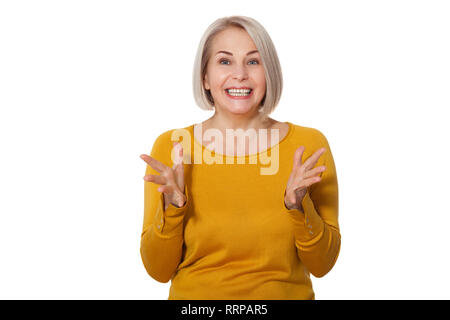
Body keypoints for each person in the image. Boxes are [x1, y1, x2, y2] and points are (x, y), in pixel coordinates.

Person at [139, 15, 341, 300]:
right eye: (224, 61)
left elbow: (323, 265)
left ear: (268, 72)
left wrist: (298, 206)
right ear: (205, 78)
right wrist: (173, 207)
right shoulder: (173, 148)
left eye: (253, 61)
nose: (240, 74)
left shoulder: (307, 146)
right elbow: (158, 271)